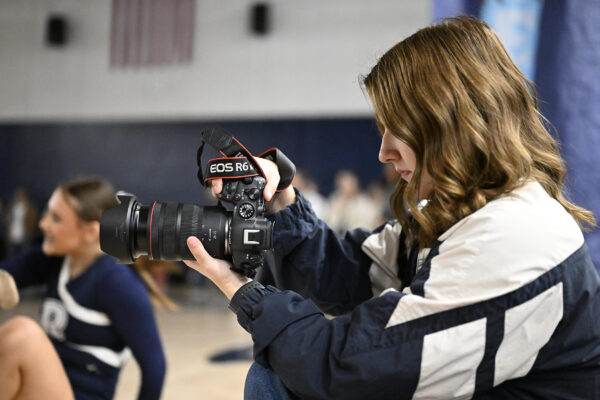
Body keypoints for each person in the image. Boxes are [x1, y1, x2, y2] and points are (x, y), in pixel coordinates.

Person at [183, 16, 600, 399]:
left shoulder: (513, 236)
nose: (383, 153)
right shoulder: (468, 215)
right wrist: (282, 204)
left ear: (449, 121)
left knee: (276, 380)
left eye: (395, 129)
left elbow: (345, 367)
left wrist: (240, 290)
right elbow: (341, 274)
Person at [0, 178, 166, 400]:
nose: (43, 224)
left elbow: (155, 367)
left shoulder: (116, 282)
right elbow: (9, 273)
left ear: (90, 231)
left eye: (55, 218)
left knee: (22, 335)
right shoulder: (55, 259)